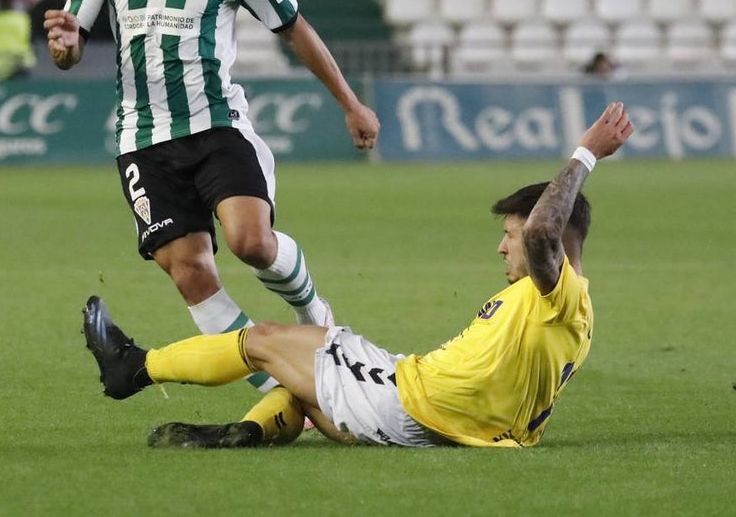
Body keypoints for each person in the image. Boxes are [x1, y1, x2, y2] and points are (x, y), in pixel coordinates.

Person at [45, 0, 381, 394]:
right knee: (191, 271)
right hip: (143, 141)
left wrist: (350, 103)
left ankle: (315, 314)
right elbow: (69, 48)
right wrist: (65, 46)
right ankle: (281, 392)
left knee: (251, 242)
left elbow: (294, 27)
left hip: (216, 126)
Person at [82, 102, 635, 448]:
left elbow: (542, 233)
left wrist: (586, 153)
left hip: (409, 401)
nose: (502, 247)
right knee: (298, 375)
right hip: (424, 404)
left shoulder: (560, 295)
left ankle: (134, 368)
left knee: (265, 340)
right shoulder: (558, 309)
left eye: (509, 235)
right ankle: (251, 431)